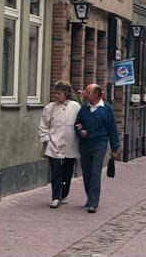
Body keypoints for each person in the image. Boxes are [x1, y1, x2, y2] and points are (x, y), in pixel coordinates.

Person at [74, 83, 121, 213]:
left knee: (95, 172)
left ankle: (93, 203)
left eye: (88, 92)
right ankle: (90, 197)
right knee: (87, 172)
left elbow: (112, 129)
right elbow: (77, 123)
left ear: (96, 94)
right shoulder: (84, 108)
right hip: (85, 145)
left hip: (100, 144)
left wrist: (115, 148)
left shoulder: (107, 109)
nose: (85, 94)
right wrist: (80, 130)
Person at [38, 81, 81, 209]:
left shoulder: (75, 106)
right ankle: (55, 197)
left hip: (70, 144)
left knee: (67, 172)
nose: (56, 96)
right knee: (56, 171)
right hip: (53, 144)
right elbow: (43, 125)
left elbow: (81, 121)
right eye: (55, 93)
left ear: (66, 94)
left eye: (59, 93)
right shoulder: (49, 108)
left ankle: (64, 194)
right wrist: (46, 140)